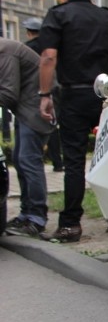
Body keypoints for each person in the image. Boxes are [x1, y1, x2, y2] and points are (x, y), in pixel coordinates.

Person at [37, 0, 108, 243]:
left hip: (74, 95)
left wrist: (44, 94)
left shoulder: (58, 15)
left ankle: (70, 225)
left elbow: (48, 56)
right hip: (106, 94)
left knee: (74, 161)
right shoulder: (106, 16)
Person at [0, 38, 55, 237]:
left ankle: (37, 218)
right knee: (20, 160)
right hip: (27, 109)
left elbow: (7, 93)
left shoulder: (5, 52)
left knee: (28, 160)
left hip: (36, 108)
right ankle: (26, 214)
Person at [23, 17, 64, 172]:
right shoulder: (51, 48)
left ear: (28, 32)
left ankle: (37, 159)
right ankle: (58, 163)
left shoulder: (26, 48)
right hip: (55, 89)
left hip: (35, 94)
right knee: (53, 126)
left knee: (35, 128)